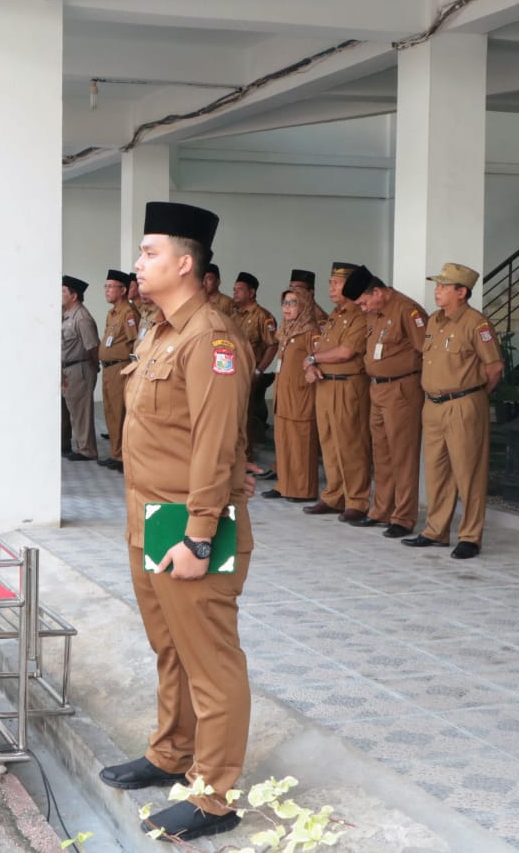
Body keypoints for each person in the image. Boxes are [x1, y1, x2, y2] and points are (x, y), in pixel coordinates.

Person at [98, 201, 253, 842]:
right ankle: (172, 753)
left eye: (149, 252)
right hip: (149, 517)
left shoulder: (211, 337)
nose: (138, 264)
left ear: (185, 264)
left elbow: (216, 445)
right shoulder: (159, 330)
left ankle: (215, 794)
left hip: (189, 521)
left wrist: (199, 533)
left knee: (210, 661)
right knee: (170, 649)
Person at [403, 263, 503, 559]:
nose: (437, 291)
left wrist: (472, 396)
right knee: (436, 471)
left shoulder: (476, 323)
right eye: (437, 285)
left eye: (444, 286)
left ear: (461, 292)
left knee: (468, 472)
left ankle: (470, 536)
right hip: (432, 405)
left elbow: (494, 368)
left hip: (463, 404)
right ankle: (436, 531)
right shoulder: (434, 321)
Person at [346, 269, 428, 538]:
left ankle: (403, 517)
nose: (363, 308)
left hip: (402, 389)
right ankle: (381, 510)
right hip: (377, 390)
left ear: (377, 293)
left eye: (363, 302)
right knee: (381, 453)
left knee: (402, 454)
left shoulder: (408, 311)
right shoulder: (376, 313)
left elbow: (425, 352)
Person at [302, 262, 371, 522]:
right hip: (325, 384)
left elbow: (345, 352)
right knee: (330, 443)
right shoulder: (336, 314)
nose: (331, 287)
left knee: (350, 444)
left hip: (348, 385)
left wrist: (311, 358)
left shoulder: (358, 315)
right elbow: (322, 353)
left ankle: (357, 499)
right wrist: (311, 365)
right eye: (330, 282)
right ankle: (334, 495)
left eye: (336, 282)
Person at [263, 287, 320, 502]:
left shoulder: (310, 331)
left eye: (293, 303)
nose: (287, 308)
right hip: (283, 396)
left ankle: (302, 489)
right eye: (285, 303)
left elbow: (317, 358)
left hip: (300, 395)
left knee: (300, 443)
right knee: (284, 441)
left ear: (304, 305)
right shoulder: (286, 330)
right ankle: (284, 485)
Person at [232, 272, 278, 462]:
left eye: (240, 290)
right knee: (231, 417)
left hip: (248, 374)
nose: (235, 293)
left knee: (245, 416)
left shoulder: (263, 317)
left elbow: (273, 345)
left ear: (251, 293)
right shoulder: (234, 315)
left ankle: (246, 456)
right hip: (229, 372)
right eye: (234, 290)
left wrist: (258, 370)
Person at [97, 269, 138, 471]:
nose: (106, 290)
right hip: (107, 369)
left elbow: (135, 343)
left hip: (120, 368)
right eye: (105, 286)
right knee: (110, 412)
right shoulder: (111, 313)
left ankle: (123, 456)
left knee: (121, 413)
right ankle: (115, 453)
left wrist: (131, 370)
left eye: (110, 287)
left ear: (123, 290)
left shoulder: (128, 314)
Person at [61, 275, 100, 462]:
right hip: (66, 369)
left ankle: (87, 450)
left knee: (81, 412)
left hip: (80, 368)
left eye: (63, 291)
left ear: (74, 296)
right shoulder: (65, 315)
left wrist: (93, 368)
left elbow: (93, 347)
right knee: (67, 410)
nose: (59, 295)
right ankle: (65, 444)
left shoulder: (82, 318)